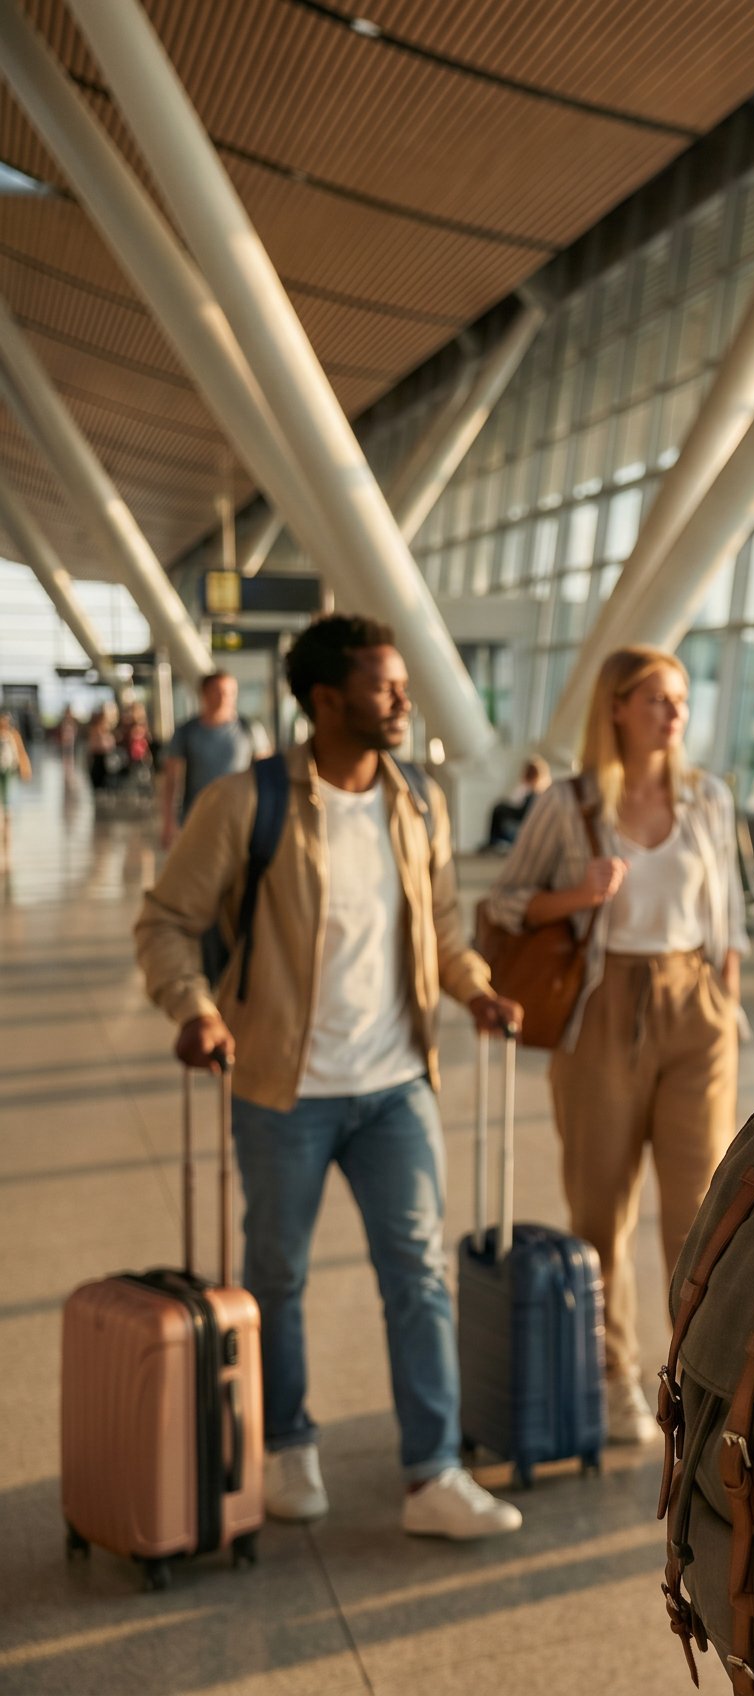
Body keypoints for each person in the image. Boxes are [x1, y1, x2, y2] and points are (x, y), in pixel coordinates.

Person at [133, 614, 526, 1539]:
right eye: (384, 685)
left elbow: (443, 935)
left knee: (420, 1277)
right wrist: (194, 1011)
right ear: (325, 699)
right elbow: (165, 923)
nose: (401, 699)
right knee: (277, 1272)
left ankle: (432, 1474)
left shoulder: (418, 803)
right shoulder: (246, 802)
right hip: (282, 1089)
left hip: (396, 1085)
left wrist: (476, 993)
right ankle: (287, 1444)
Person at [483, 645, 748, 1448]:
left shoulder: (708, 799)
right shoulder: (568, 806)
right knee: (602, 1205)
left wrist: (725, 999)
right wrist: (579, 893)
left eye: (682, 699)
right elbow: (504, 904)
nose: (676, 713)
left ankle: (696, 1377)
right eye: (659, 699)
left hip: (692, 1007)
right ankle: (612, 1374)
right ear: (617, 709)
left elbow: (728, 913)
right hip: (601, 1010)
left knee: (700, 1209)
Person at [161, 670, 260, 848]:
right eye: (219, 691)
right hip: (197, 817)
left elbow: (264, 771)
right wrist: (169, 821)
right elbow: (172, 778)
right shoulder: (187, 731)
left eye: (230, 692)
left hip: (241, 817)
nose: (225, 697)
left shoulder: (249, 729)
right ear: (204, 694)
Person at [481, 755, 551, 852]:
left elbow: (515, 802)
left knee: (499, 808)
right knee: (499, 809)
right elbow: (513, 800)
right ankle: (495, 841)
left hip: (527, 821)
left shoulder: (539, 792)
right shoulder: (527, 788)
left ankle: (495, 841)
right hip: (521, 819)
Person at [0, 709, 30, 876]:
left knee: (8, 810)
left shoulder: (13, 735)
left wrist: (24, 768)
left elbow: (20, 752)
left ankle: (7, 850)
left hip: (8, 774)